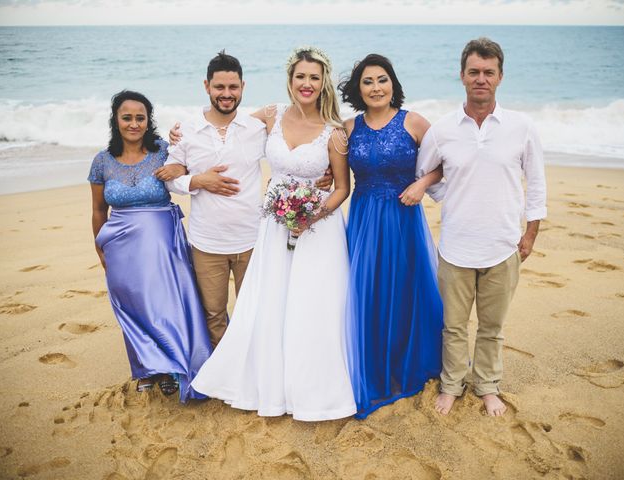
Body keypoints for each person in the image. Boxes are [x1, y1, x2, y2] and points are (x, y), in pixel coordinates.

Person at [190, 46, 356, 421]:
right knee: (270, 303)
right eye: (301, 77)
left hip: (318, 231)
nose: (307, 84)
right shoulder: (270, 115)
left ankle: (310, 392)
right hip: (273, 227)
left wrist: (313, 214)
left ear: (323, 81)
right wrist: (181, 134)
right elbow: (225, 127)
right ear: (290, 80)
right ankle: (266, 383)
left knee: (313, 306)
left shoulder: (335, 132)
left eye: (314, 77)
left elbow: (342, 189)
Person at [162, 51, 332, 349]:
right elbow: (172, 173)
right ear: (207, 86)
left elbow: (295, 148)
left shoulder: (256, 128)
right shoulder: (187, 130)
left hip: (254, 239)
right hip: (207, 241)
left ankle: (247, 369)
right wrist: (198, 180)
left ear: (242, 87)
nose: (226, 94)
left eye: (233, 87)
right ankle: (219, 370)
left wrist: (324, 169)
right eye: (219, 87)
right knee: (213, 313)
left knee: (253, 311)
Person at [417, 38, 547, 416]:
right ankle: (452, 385)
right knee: (454, 327)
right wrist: (452, 197)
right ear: (462, 76)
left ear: (500, 77)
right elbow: (426, 174)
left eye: (488, 73)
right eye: (474, 72)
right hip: (456, 246)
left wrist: (530, 234)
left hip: (503, 246)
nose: (481, 79)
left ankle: (488, 385)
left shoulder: (521, 127)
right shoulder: (442, 130)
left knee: (492, 327)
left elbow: (536, 183)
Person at [88, 90, 213, 402]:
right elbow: (98, 211)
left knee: (166, 306)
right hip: (120, 248)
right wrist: (99, 248)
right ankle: (146, 368)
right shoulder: (102, 161)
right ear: (116, 120)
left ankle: (172, 366)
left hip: (162, 245)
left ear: (148, 121)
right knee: (133, 307)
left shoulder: (163, 151)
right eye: (127, 117)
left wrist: (181, 166)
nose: (133, 123)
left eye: (140, 118)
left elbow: (187, 167)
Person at [338, 54, 444, 419]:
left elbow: (446, 159)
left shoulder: (413, 122)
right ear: (359, 89)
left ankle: (406, 364)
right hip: (365, 219)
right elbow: (334, 171)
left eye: (382, 80)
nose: (376, 87)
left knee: (405, 291)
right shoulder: (349, 128)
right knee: (367, 293)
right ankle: (373, 366)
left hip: (403, 216)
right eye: (368, 82)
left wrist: (422, 182)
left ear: (393, 83)